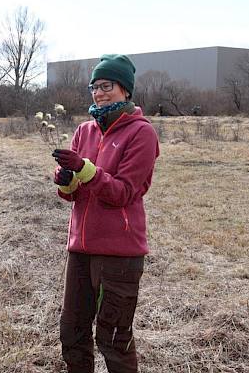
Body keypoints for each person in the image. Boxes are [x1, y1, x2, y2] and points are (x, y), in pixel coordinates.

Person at [51, 54, 159, 372]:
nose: (99, 92)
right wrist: (66, 182)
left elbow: (123, 192)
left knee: (113, 338)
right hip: (81, 250)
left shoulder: (141, 133)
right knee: (72, 333)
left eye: (106, 86)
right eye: (94, 86)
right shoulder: (84, 131)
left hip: (119, 254)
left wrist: (84, 169)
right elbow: (72, 196)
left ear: (125, 89)